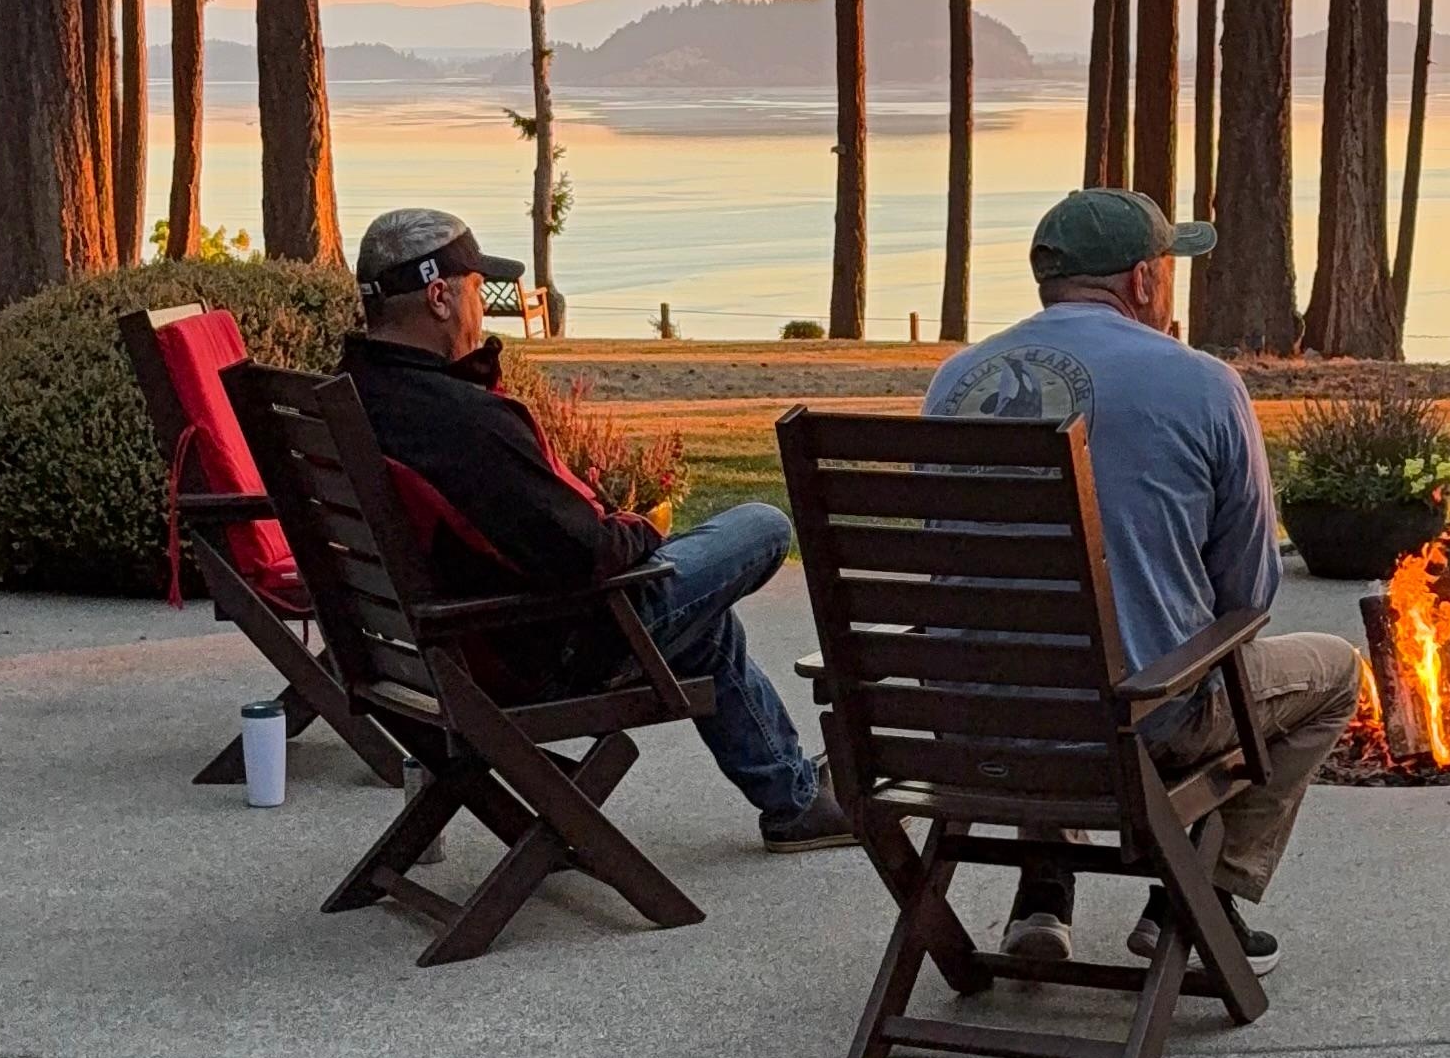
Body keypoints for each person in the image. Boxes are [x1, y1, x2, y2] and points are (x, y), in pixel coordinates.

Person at [926, 186, 1358, 967]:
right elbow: (1248, 596)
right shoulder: (1202, 383)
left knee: (1038, 648)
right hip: (1137, 726)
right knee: (1333, 672)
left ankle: (1044, 891)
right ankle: (1197, 900)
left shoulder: (956, 382)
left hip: (978, 726)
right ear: (1142, 280)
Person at [336, 206, 850, 846]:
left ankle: (794, 800)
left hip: (431, 652)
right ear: (439, 296)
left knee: (706, 620)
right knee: (763, 526)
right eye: (476, 289)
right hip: (548, 646)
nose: (482, 309)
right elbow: (588, 552)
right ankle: (794, 801)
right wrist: (645, 527)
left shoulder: (355, 394)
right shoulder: (459, 423)